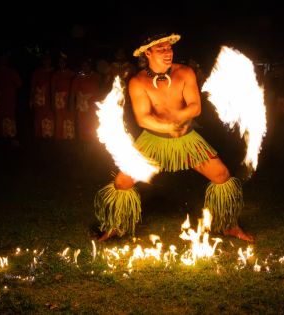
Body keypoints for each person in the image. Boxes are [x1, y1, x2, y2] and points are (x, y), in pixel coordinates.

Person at [94, 32, 253, 242]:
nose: (167, 53)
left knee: (222, 175)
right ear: (147, 53)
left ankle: (229, 225)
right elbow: (143, 119)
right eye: (161, 49)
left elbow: (195, 107)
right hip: (152, 140)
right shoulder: (138, 82)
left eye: (169, 48)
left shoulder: (185, 72)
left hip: (186, 139)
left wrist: (179, 117)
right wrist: (168, 126)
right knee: (123, 182)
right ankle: (116, 225)